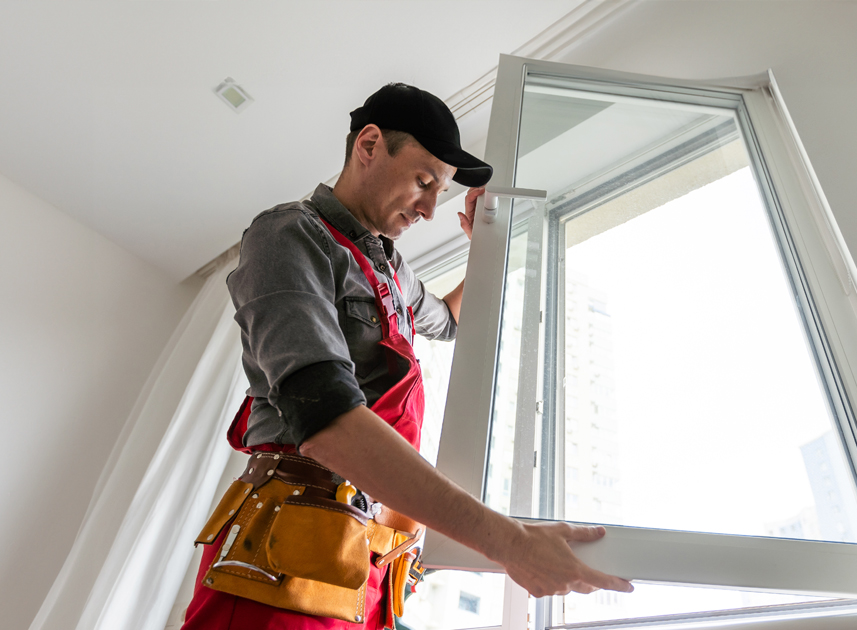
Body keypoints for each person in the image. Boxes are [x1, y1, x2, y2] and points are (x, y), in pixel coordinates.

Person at [181, 83, 632, 630]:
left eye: (439, 192)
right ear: (369, 145)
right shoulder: (288, 236)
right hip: (288, 550)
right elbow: (324, 420)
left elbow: (448, 320)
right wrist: (510, 542)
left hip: (372, 558)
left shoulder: (393, 272)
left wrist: (488, 250)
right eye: (424, 182)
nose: (428, 209)